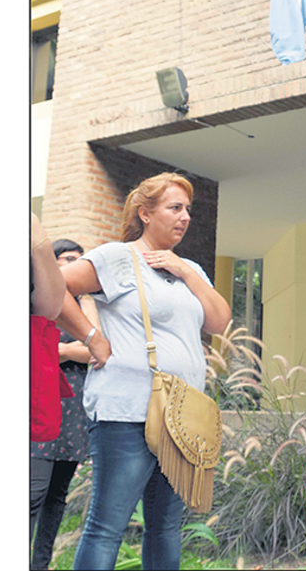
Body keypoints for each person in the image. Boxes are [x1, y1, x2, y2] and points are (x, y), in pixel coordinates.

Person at [56, 172, 231, 570]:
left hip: (181, 417)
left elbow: (219, 321)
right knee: (107, 526)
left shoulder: (190, 270)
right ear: (145, 213)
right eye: (174, 208)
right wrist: (90, 335)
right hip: (127, 413)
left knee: (166, 527)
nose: (185, 217)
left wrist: (184, 271)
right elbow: (54, 285)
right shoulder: (117, 257)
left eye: (188, 209)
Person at [30, 239, 98, 569]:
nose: (74, 265)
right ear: (51, 262)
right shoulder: (42, 299)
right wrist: (76, 350)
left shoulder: (83, 306)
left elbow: (98, 348)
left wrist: (61, 351)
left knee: (57, 496)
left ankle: (41, 564)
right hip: (42, 402)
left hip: (73, 407)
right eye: (68, 259)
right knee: (34, 492)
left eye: (79, 261)